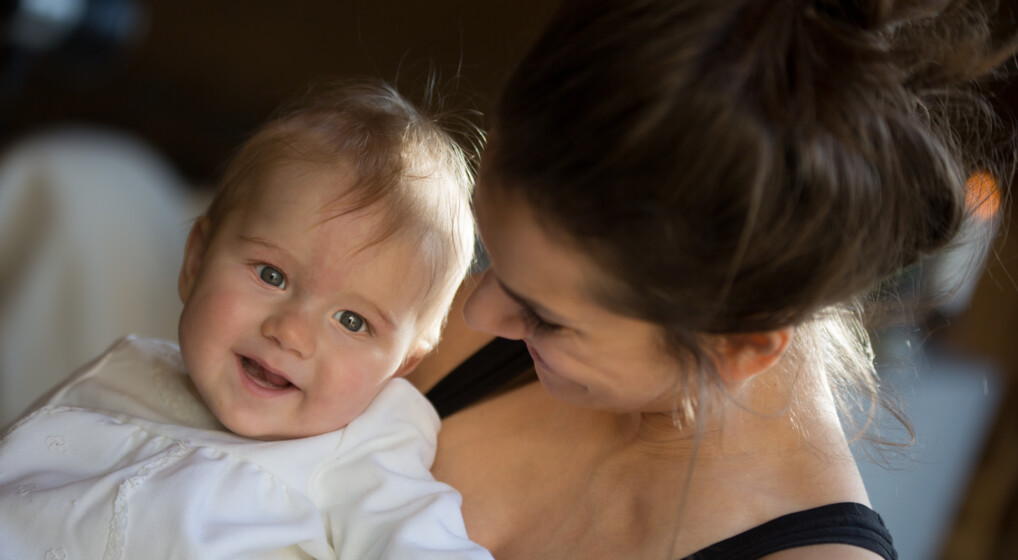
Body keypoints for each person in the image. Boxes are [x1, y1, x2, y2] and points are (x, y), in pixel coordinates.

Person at [405, 0, 1017, 558]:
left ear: (739, 345)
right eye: (489, 249)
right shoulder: (452, 336)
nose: (474, 314)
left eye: (547, 317)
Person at [0, 79, 493, 560]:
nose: (292, 332)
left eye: (351, 320)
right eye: (272, 275)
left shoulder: (365, 455)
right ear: (195, 262)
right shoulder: (125, 376)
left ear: (403, 364)